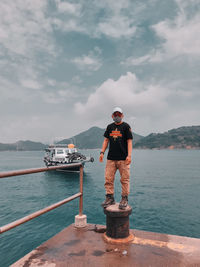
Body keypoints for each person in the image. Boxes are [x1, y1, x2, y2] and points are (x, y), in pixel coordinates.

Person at [99, 107, 133, 209]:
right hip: (111, 159)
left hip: (123, 159)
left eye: (119, 114)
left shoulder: (126, 126)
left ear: (122, 115)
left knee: (125, 180)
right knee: (108, 179)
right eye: (115, 114)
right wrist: (102, 152)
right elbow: (106, 140)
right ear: (112, 116)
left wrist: (129, 155)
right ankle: (110, 198)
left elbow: (129, 142)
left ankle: (124, 198)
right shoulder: (109, 127)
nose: (117, 116)